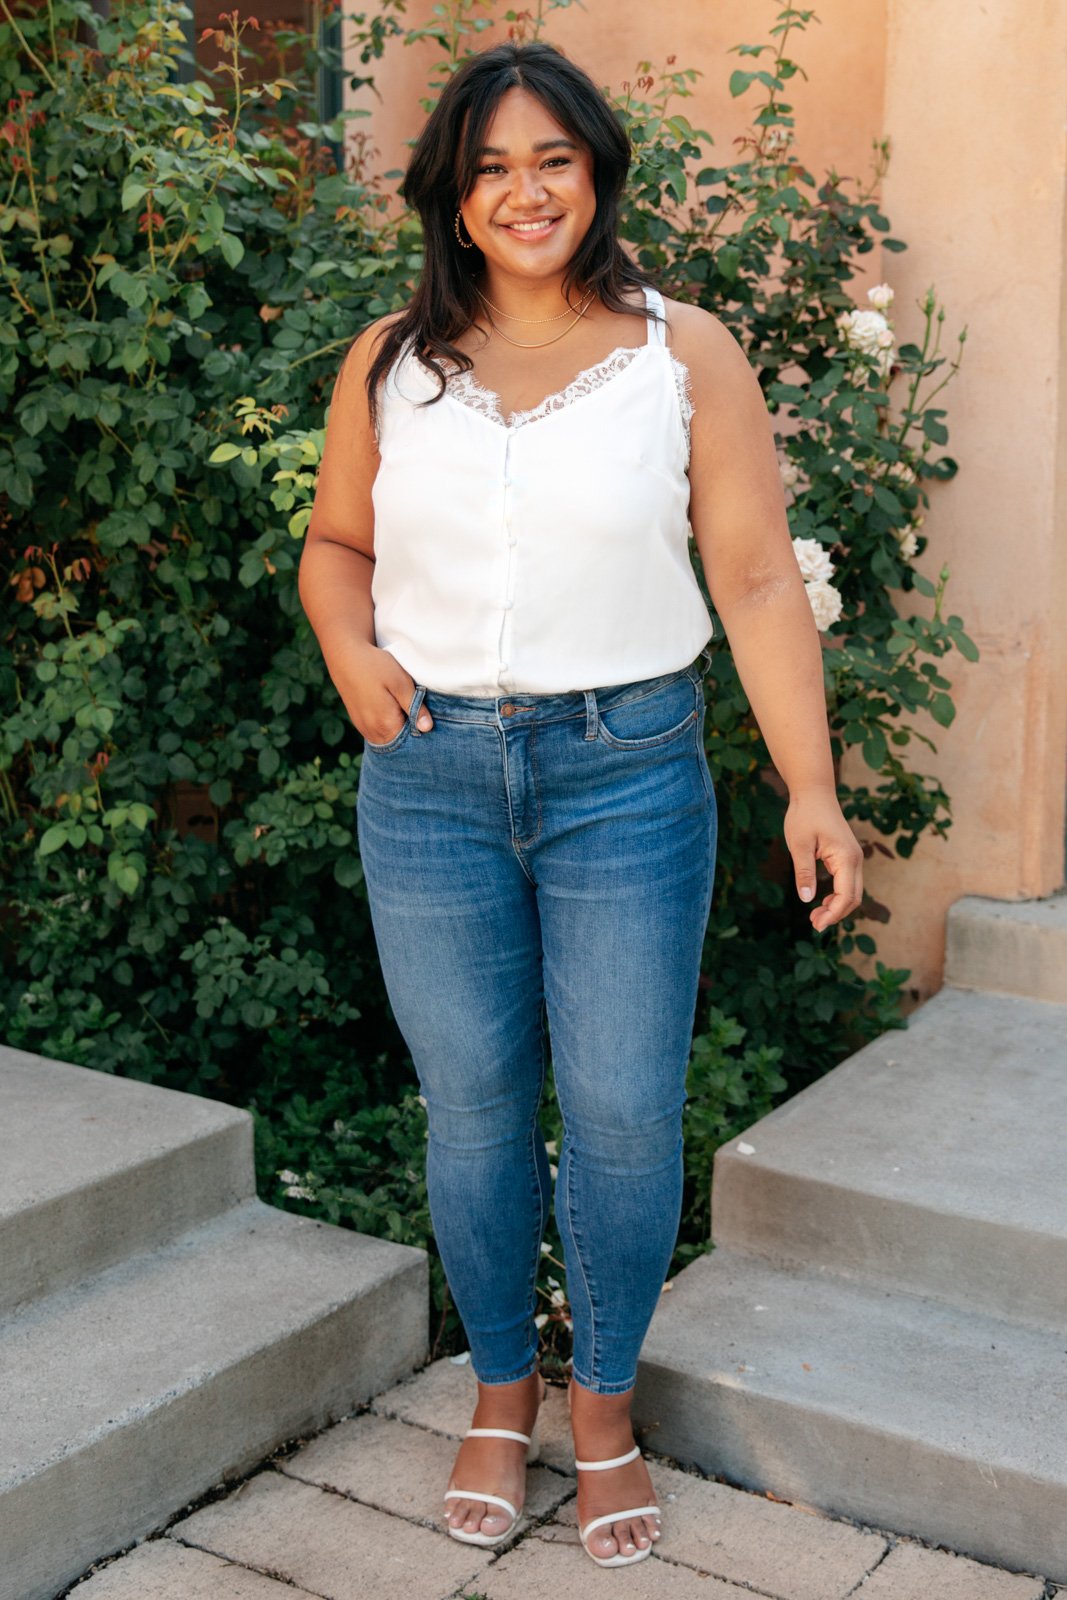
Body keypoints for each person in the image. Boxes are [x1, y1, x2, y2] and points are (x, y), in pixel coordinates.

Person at [299, 38, 863, 1571]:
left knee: (619, 1115)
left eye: (552, 158)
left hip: (627, 774)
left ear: (597, 171)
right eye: (489, 167)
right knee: (474, 1107)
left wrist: (811, 789)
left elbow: (750, 578)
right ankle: (499, 1391)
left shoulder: (684, 355)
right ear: (452, 198)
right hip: (428, 778)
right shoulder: (387, 363)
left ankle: (599, 1403)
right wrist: (350, 650)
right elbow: (338, 546)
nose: (523, 190)